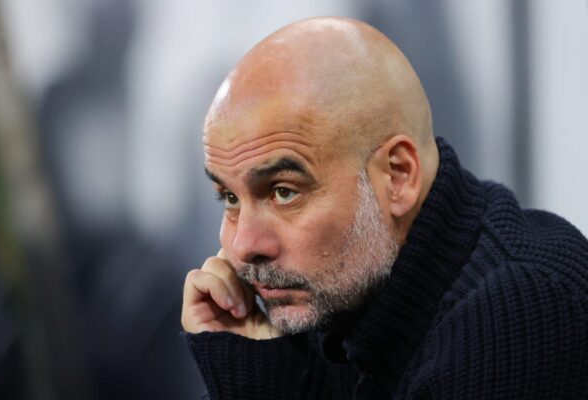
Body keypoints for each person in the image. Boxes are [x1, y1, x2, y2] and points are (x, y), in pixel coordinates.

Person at [180, 17, 588, 399]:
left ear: (398, 176)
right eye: (230, 198)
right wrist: (258, 362)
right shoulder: (342, 292)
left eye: (284, 192)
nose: (243, 245)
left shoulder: (520, 314)